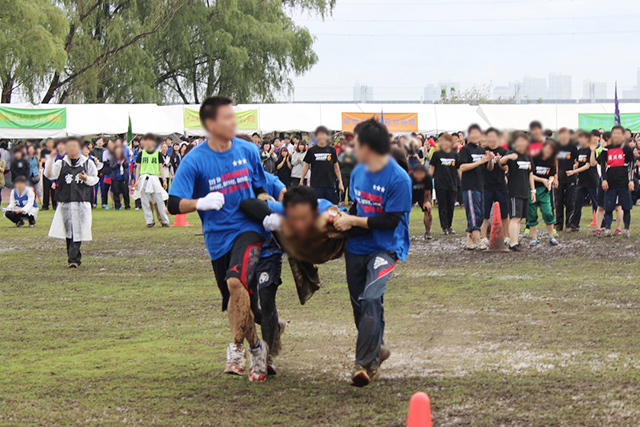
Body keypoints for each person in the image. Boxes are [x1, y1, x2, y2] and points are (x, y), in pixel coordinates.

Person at [168, 96, 270, 382]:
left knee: (236, 282)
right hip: (216, 239)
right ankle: (256, 347)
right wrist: (200, 202)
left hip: (248, 230)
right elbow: (173, 203)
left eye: (233, 116)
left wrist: (267, 208)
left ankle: (236, 348)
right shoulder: (195, 160)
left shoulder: (248, 150)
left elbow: (261, 188)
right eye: (227, 117)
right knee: (235, 299)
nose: (233, 122)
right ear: (210, 124)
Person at [333, 118, 412, 387]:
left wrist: (353, 221)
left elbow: (390, 221)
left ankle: (362, 364)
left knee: (371, 296)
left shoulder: (399, 179)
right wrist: (340, 219)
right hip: (357, 247)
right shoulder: (357, 172)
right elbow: (356, 208)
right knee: (361, 304)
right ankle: (377, 349)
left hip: (386, 246)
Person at [44, 137, 99, 267]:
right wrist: (50, 159)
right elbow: (49, 174)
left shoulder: (87, 163)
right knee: (68, 230)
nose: (71, 149)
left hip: (81, 201)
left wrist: (86, 178)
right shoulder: (61, 163)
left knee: (78, 230)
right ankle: (73, 255)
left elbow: (95, 179)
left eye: (74, 146)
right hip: (66, 201)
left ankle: (73, 258)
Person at [458, 124, 494, 250]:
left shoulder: (481, 150)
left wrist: (489, 160)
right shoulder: (465, 150)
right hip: (469, 186)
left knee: (480, 213)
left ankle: (469, 241)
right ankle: (478, 241)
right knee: (474, 214)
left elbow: (488, 169)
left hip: (480, 186)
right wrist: (479, 162)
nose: (475, 136)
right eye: (472, 133)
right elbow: (462, 167)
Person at [500, 132, 535, 251]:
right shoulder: (511, 153)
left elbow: (530, 174)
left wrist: (533, 190)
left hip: (525, 191)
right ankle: (512, 243)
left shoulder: (528, 156)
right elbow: (501, 162)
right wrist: (509, 157)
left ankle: (516, 241)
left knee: (520, 218)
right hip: (514, 191)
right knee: (515, 217)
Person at [598, 125, 634, 238]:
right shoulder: (606, 149)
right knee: (608, 207)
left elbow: (631, 166)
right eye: (615, 133)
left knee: (626, 207)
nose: (617, 135)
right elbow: (602, 166)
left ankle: (626, 229)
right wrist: (604, 180)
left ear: (622, 135)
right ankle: (608, 229)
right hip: (610, 184)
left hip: (624, 183)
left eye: (619, 133)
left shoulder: (627, 149)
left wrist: (631, 180)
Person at [299, 126, 344, 204]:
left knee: (331, 207)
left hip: (329, 184)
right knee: (316, 206)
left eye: (324, 135)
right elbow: (306, 166)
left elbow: (336, 167)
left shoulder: (332, 150)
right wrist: (301, 180)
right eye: (320, 135)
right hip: (316, 185)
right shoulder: (311, 151)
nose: (322, 137)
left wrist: (340, 182)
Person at [480, 128, 509, 247]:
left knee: (504, 213)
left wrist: (500, 161)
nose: (491, 139)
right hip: (486, 186)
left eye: (493, 136)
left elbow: (506, 168)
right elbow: (488, 168)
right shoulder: (483, 151)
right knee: (485, 213)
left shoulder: (504, 151)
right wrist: (490, 160)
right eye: (489, 136)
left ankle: (506, 235)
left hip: (501, 185)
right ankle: (483, 237)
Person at [528, 140, 559, 246]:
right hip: (532, 189)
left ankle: (551, 236)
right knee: (532, 214)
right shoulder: (535, 158)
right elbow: (530, 175)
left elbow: (551, 174)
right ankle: (534, 238)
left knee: (548, 213)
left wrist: (550, 181)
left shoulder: (551, 161)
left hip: (545, 191)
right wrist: (542, 180)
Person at [135, 133, 169, 227]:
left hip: (154, 178)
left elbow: (161, 167)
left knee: (159, 200)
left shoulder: (157, 153)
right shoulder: (141, 154)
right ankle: (149, 221)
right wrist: (136, 180)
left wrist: (164, 180)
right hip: (144, 178)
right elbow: (138, 167)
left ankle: (164, 220)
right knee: (145, 201)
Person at [567, 130, 598, 231]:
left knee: (596, 203)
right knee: (577, 202)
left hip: (591, 180)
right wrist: (575, 165)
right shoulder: (580, 150)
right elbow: (579, 162)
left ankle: (602, 223)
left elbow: (588, 165)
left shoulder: (590, 149)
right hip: (581, 181)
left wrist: (574, 171)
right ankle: (574, 224)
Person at [429, 133, 458, 235]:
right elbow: (432, 168)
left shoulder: (455, 155)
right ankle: (444, 226)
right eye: (442, 141)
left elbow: (458, 169)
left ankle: (449, 226)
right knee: (442, 206)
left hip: (452, 184)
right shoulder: (437, 154)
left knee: (451, 205)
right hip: (440, 184)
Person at [555, 128, 578, 231]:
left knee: (570, 202)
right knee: (558, 201)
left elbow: (576, 161)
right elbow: (554, 162)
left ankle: (569, 224)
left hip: (570, 178)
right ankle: (558, 223)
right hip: (559, 178)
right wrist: (555, 175)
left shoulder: (572, 146)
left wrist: (575, 167)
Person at [410, 164, 433, 240]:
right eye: (417, 174)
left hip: (423, 195)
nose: (419, 176)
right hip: (410, 194)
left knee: (428, 211)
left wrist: (426, 202)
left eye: (421, 174)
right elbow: (405, 191)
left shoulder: (427, 178)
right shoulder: (409, 177)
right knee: (403, 212)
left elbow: (427, 192)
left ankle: (427, 232)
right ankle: (403, 231)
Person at [111, 145, 131, 210]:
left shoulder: (124, 158)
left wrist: (123, 163)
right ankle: (117, 205)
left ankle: (127, 205)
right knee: (116, 191)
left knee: (125, 191)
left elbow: (127, 165)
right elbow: (112, 166)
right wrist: (118, 163)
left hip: (123, 177)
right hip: (115, 177)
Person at [338, 139, 357, 204]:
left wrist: (350, 161)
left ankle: (350, 200)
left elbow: (355, 163)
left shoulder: (353, 154)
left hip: (351, 173)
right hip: (343, 173)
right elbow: (338, 164)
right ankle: (342, 200)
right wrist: (344, 162)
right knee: (344, 187)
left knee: (350, 187)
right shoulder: (340, 155)